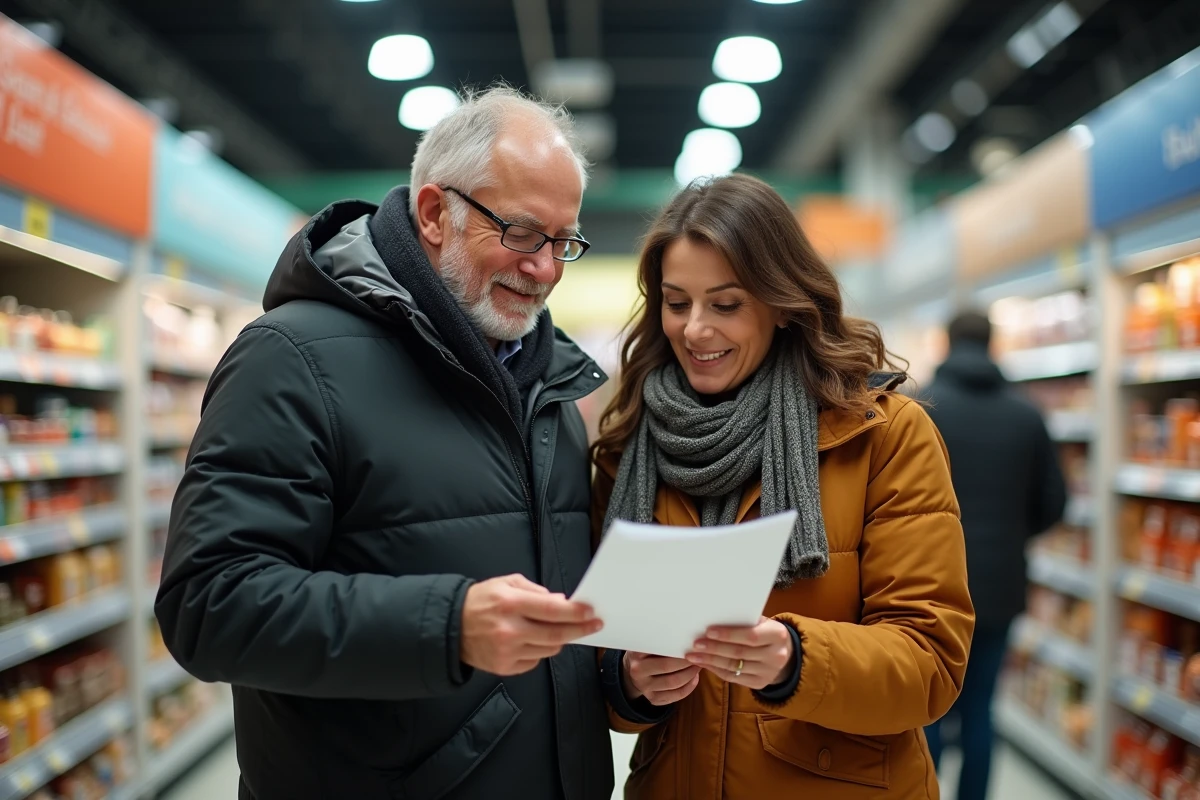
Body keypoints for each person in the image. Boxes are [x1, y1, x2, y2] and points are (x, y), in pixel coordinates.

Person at [154, 87, 616, 800]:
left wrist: (625, 681)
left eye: (564, 243)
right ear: (435, 213)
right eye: (523, 234)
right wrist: (447, 627)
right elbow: (210, 605)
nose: (547, 268)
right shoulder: (292, 359)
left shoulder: (548, 383)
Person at [590, 173, 975, 799]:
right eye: (676, 301)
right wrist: (626, 682)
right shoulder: (630, 447)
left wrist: (797, 659)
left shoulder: (882, 435)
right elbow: (593, 654)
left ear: (781, 300)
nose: (694, 330)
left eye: (726, 303)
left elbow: (931, 663)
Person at [921, 311, 1068, 800]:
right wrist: (1009, 535)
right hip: (1001, 586)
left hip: (931, 585)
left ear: (947, 341)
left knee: (928, 705)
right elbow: (1054, 502)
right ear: (993, 344)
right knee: (982, 708)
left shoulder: (922, 407)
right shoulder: (1027, 414)